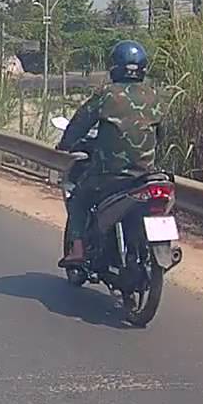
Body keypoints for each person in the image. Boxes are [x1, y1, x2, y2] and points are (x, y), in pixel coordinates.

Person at [56, 39, 164, 268]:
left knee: (78, 199)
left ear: (114, 66)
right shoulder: (154, 95)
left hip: (109, 176)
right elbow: (162, 134)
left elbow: (80, 122)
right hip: (145, 175)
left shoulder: (107, 94)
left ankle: (77, 251)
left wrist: (65, 144)